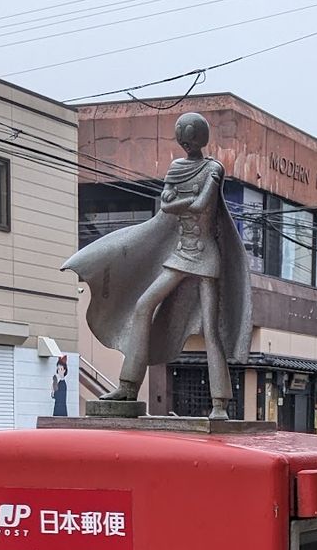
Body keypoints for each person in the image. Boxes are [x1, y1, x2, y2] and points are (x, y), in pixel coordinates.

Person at [62, 112, 252, 419]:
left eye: (190, 138)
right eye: (182, 139)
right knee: (143, 305)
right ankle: (127, 387)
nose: (186, 144)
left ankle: (220, 403)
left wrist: (180, 203)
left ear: (199, 138)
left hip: (206, 255)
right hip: (180, 252)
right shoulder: (177, 168)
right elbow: (166, 204)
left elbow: (203, 204)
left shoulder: (213, 167)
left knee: (211, 330)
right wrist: (181, 203)